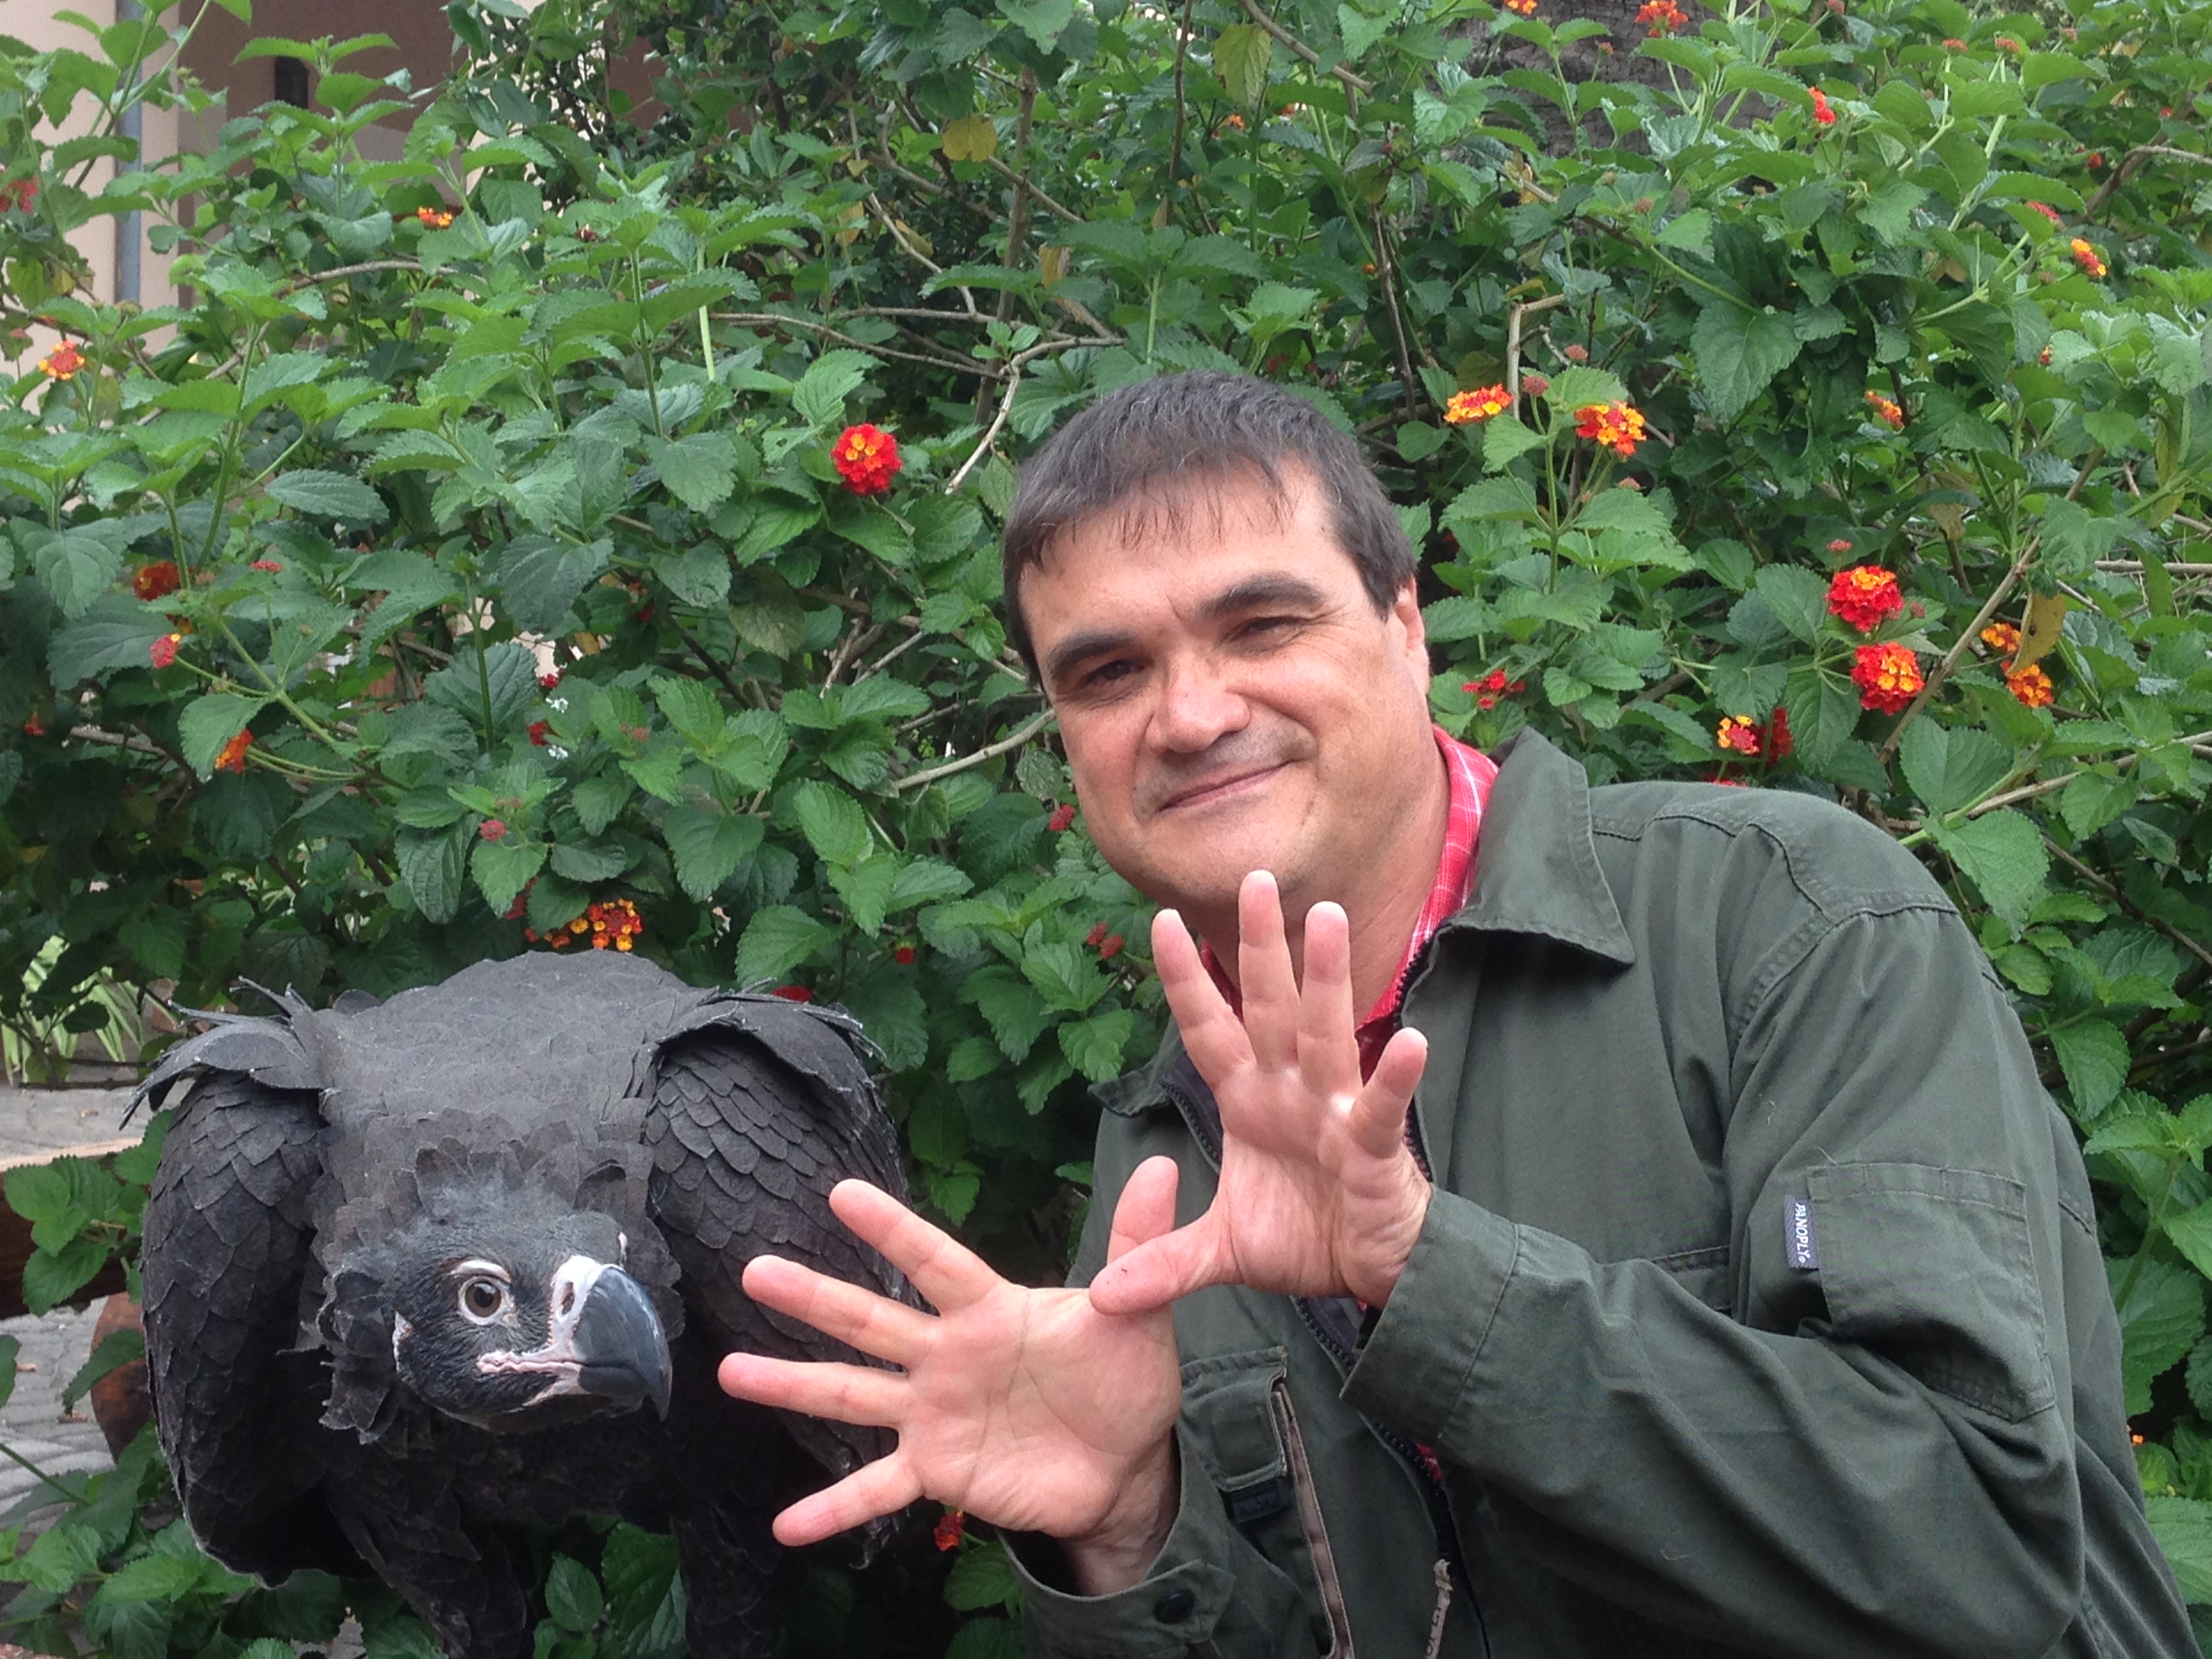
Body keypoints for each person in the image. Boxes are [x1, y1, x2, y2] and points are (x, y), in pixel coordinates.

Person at [718, 372, 2194, 1656]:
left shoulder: (1785, 922)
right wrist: (1127, 1531)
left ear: (1408, 624)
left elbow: (1982, 1547)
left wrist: (1429, 1283)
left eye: (1262, 622)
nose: (1186, 713)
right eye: (1107, 671)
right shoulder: (1173, 1142)